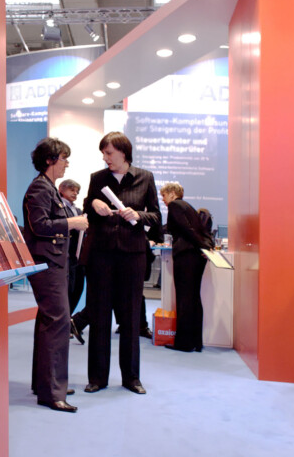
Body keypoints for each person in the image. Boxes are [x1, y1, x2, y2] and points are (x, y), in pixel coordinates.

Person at [83, 131, 160, 395]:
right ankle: (97, 377)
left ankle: (131, 377)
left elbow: (156, 217)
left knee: (130, 318)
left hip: (132, 255)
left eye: (109, 153)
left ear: (123, 153)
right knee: (99, 316)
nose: (105, 158)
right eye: (103, 153)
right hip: (101, 255)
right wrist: (94, 203)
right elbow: (87, 210)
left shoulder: (145, 177)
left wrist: (137, 214)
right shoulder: (97, 178)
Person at [23, 137, 88, 413]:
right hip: (47, 264)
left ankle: (46, 385)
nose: (66, 163)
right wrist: (72, 222)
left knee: (50, 323)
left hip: (53, 263)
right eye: (63, 158)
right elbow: (39, 225)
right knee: (58, 323)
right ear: (50, 160)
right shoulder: (40, 188)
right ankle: (52, 391)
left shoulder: (47, 188)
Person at [160, 183, 212, 352]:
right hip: (196, 256)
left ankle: (184, 343)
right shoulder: (189, 207)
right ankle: (196, 342)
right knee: (194, 298)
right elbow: (199, 230)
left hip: (186, 255)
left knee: (184, 299)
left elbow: (186, 230)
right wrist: (205, 246)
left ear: (172, 193)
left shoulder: (175, 205)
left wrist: (202, 245)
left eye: (164, 195)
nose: (163, 200)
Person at [59, 179, 87, 345]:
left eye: (77, 191)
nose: (75, 194)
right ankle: (64, 324)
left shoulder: (78, 210)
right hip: (65, 255)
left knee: (78, 288)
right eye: (72, 190)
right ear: (61, 189)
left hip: (78, 256)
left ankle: (69, 320)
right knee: (67, 290)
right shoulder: (58, 208)